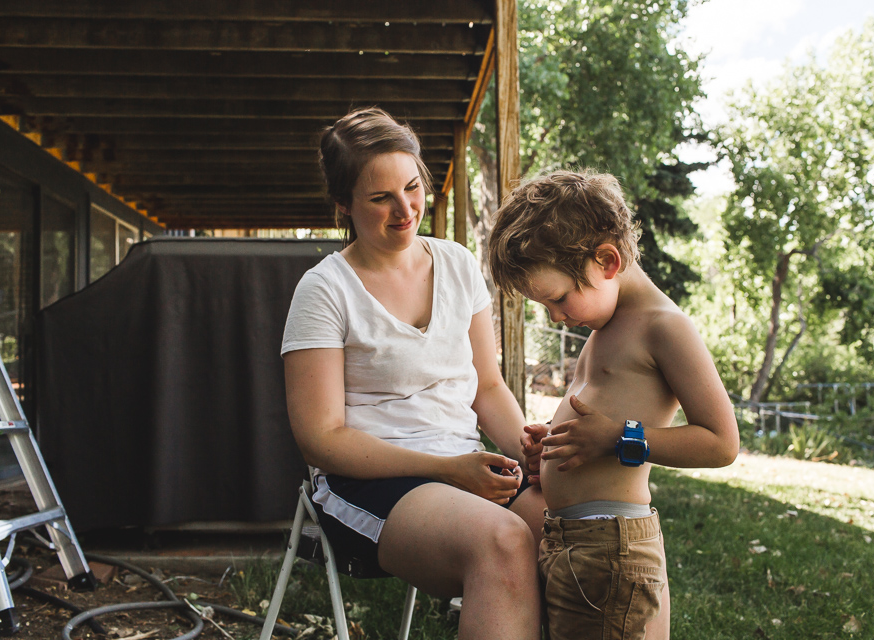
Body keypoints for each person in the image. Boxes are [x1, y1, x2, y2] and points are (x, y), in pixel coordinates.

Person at [281, 107, 546, 640]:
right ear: (344, 206)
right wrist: (448, 470)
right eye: (380, 198)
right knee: (504, 541)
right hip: (366, 482)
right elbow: (320, 439)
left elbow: (487, 386)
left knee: (577, 529)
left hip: (462, 465)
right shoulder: (324, 291)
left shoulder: (458, 264)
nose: (405, 210)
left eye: (411, 187)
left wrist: (526, 451)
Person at [488, 170, 739, 640]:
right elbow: (599, 412)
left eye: (558, 299)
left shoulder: (663, 326)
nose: (556, 316)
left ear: (607, 260)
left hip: (611, 548)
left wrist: (618, 438)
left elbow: (721, 443)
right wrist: (557, 443)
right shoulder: (605, 328)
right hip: (575, 541)